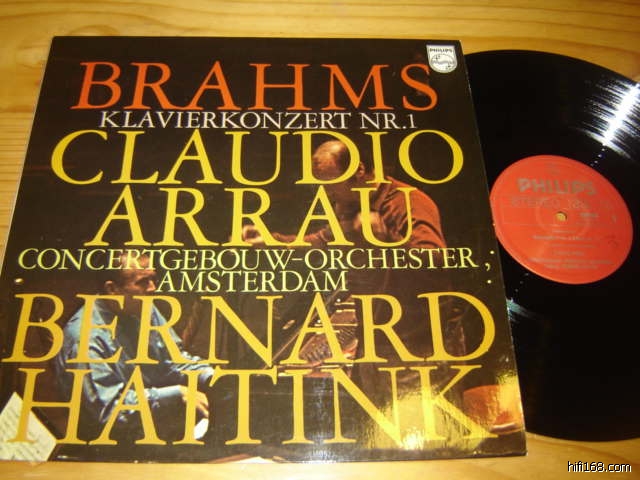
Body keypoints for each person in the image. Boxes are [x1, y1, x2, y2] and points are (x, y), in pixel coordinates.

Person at [243, 140, 466, 398]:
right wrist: (271, 241)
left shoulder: (409, 202)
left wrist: (387, 240)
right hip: (378, 342)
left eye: (330, 183)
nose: (326, 192)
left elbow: (435, 259)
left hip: (418, 348)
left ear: (358, 170)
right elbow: (321, 241)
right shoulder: (355, 207)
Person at [54, 252, 214, 445]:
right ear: (112, 289)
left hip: (154, 425)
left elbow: (173, 360)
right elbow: (111, 410)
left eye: (153, 279)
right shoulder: (85, 339)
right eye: (143, 282)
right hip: (110, 444)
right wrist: (178, 394)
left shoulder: (140, 306)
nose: (152, 288)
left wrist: (212, 377)